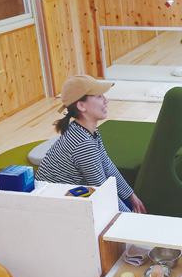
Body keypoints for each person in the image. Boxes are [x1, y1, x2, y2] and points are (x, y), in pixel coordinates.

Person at [36, 74, 146, 213]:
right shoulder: (83, 143)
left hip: (67, 197)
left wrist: (131, 196)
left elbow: (107, 165)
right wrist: (129, 218)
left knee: (127, 205)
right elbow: (101, 189)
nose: (106, 101)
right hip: (54, 207)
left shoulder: (87, 131)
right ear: (81, 106)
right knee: (126, 213)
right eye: (99, 96)